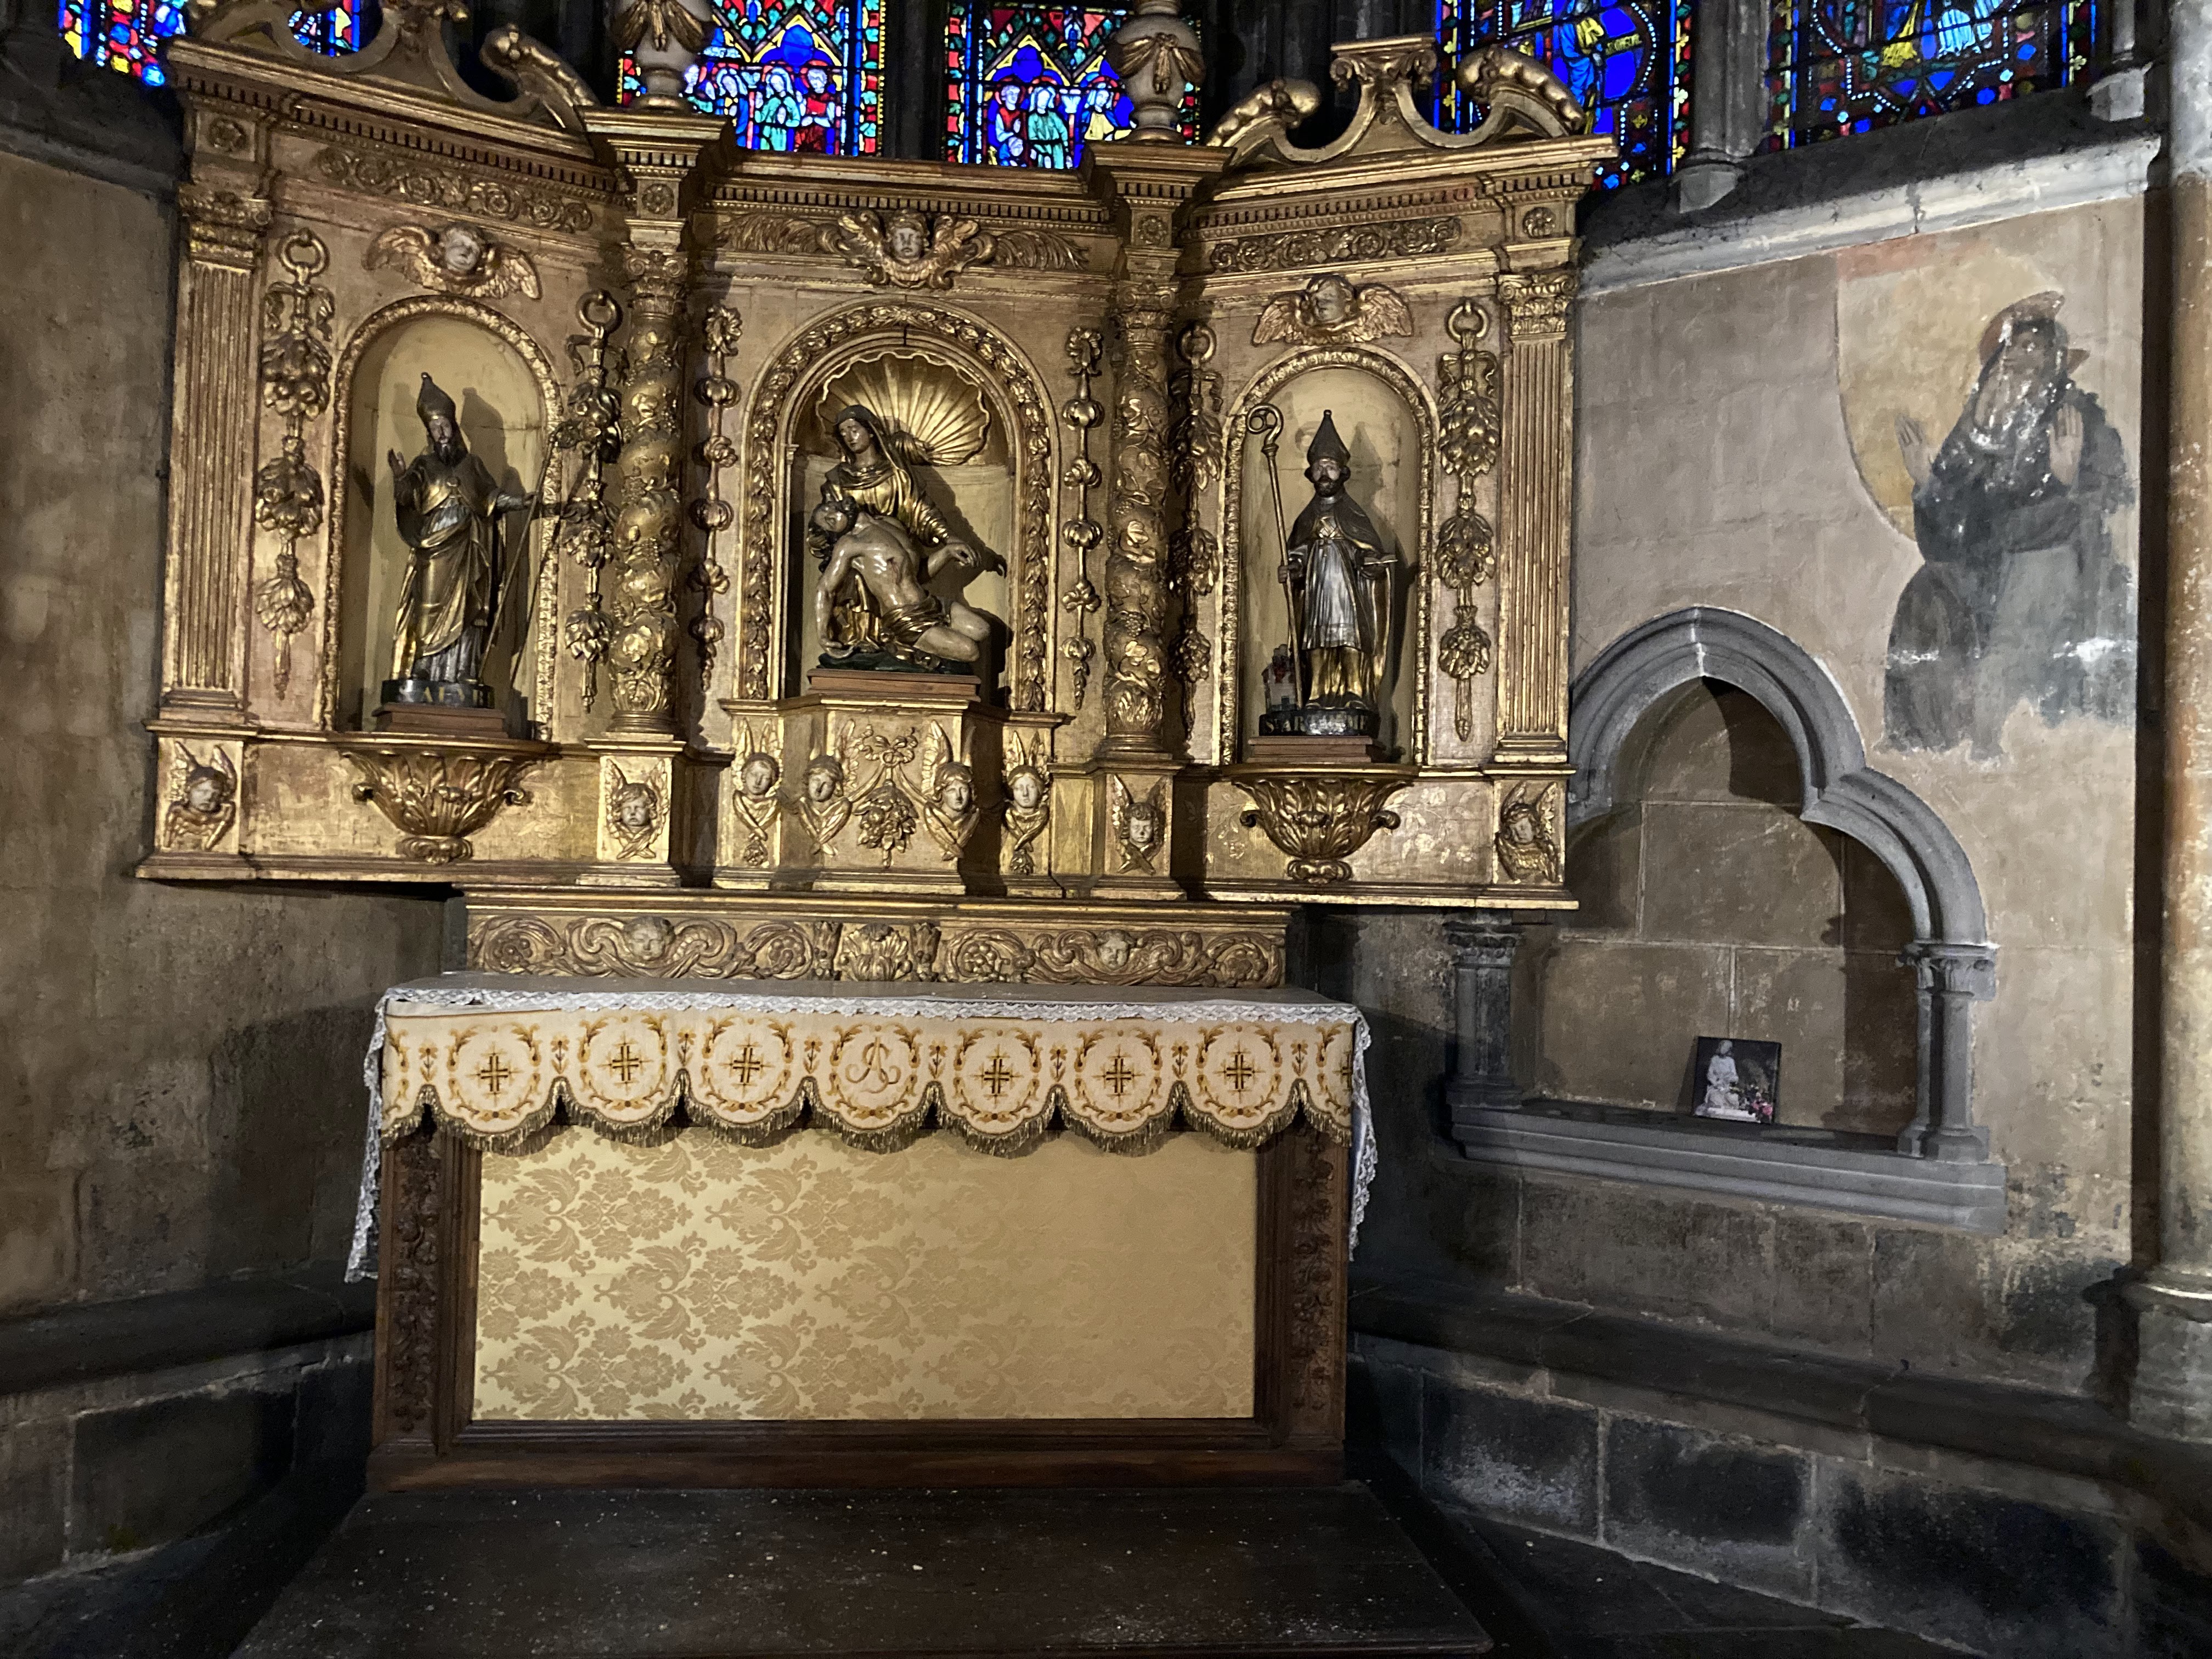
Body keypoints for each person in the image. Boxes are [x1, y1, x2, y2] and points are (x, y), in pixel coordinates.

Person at [1886, 296, 2132, 755]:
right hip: (1983, 566)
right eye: (2013, 349)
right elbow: (1946, 540)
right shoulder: (1976, 431)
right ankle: (1924, 738)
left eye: (2034, 348)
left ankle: (1988, 739)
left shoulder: (2075, 416)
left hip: (2050, 553)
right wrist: (1928, 484)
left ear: (2053, 363)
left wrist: (2068, 482)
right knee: (1925, 592)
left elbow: (2112, 496)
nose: (2020, 360)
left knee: (2033, 588)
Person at [386, 374, 531, 691]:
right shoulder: (423, 466)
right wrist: (399, 478)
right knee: (428, 605)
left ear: (453, 427)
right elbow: (407, 497)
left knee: (468, 607)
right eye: (435, 428)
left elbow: (490, 498)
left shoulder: (472, 465)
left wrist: (520, 502)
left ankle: (465, 668)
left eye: (445, 426)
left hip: (468, 545)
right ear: (429, 432)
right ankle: (423, 667)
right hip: (434, 545)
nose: (441, 433)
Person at [1282, 411, 1396, 707]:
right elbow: (1298, 551)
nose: (1324, 474)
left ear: (1342, 473)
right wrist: (1294, 566)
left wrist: (1368, 562)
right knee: (1316, 641)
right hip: (1318, 586)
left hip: (1347, 588)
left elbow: (1368, 549)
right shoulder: (1306, 517)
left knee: (1350, 638)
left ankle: (1355, 692)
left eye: (1330, 468)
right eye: (1319, 468)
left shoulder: (1353, 513)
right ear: (1311, 473)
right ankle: (1315, 694)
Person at [811, 496, 996, 669]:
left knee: (982, 630)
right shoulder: (850, 544)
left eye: (828, 509)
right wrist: (822, 635)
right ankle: (905, 644)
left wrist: (947, 552)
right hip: (906, 618)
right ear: (833, 533)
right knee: (971, 651)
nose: (831, 515)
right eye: (828, 522)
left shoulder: (891, 524)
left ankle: (926, 644)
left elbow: (917, 574)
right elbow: (825, 589)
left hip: (931, 604)